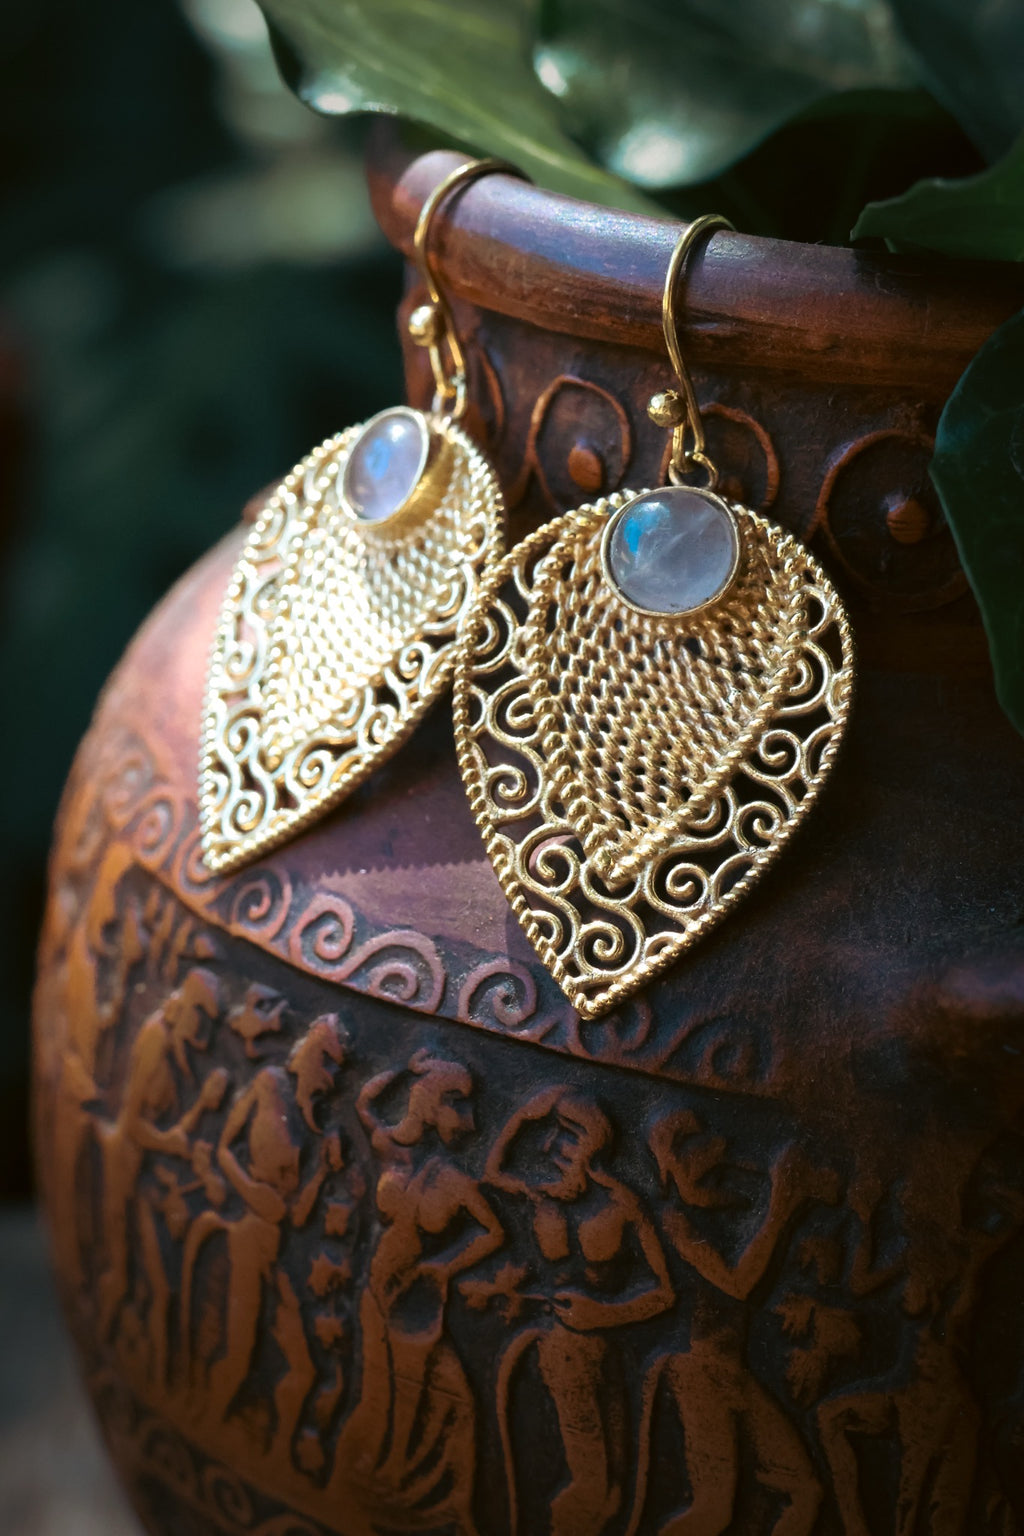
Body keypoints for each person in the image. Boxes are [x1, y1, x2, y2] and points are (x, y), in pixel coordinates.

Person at [330, 1049, 503, 1535]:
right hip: (379, 1290)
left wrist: (443, 1267)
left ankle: (410, 1494)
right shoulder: (393, 1151)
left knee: (429, 1394)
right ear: (431, 1104)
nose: (466, 1119)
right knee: (381, 1388)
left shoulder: (452, 1180)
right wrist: (408, 1070)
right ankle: (378, 1490)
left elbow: (494, 1233)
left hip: (417, 1295)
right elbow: (365, 1103)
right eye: (455, 1104)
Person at [486, 1087, 673, 1536]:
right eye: (553, 1133)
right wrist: (529, 1111)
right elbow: (493, 1172)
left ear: (593, 1143)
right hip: (564, 1355)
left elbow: (665, 1293)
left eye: (568, 1135)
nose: (553, 1145)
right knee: (593, 1486)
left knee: (613, 1491)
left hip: (607, 1351)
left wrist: (604, 1315)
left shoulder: (623, 1206)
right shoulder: (542, 1195)